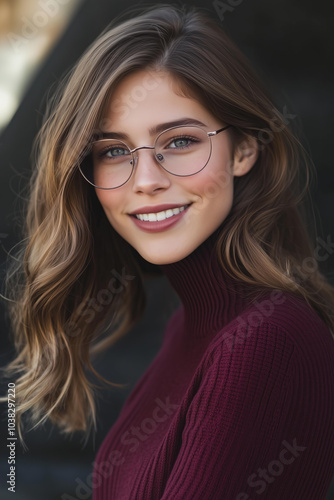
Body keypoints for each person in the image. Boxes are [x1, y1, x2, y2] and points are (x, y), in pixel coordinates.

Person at [2, 4, 334, 499]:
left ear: (244, 148)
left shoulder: (263, 342)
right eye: (114, 151)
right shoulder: (194, 324)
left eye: (179, 141)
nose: (148, 181)